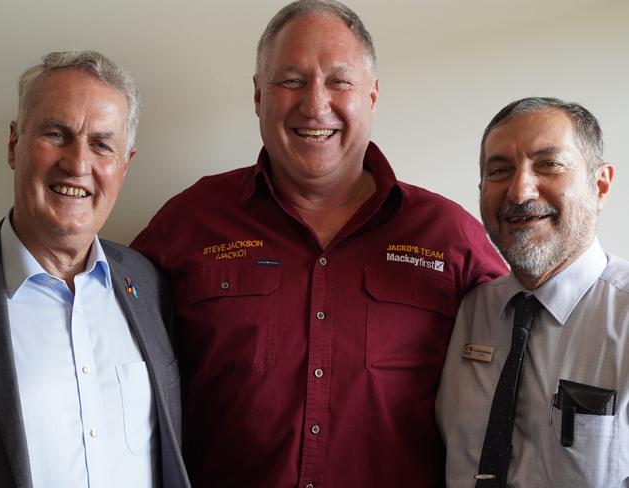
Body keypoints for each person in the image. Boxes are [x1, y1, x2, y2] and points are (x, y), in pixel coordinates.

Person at [132, 1, 506, 486]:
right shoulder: (191, 221)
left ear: (371, 96)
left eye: (339, 81)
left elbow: (527, 354)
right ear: (257, 95)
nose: (314, 104)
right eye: (290, 80)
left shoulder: (446, 234)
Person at [0, 50, 190, 488]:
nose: (77, 164)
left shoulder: (147, 283)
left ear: (125, 165)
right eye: (56, 134)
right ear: (14, 144)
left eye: (101, 144)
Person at [436, 97, 628, 487]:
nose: (520, 191)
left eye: (549, 165)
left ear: (601, 184)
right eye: (500, 170)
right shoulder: (468, 311)